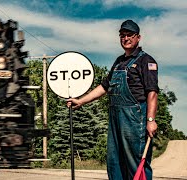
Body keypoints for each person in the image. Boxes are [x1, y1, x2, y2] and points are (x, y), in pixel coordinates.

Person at [67, 19, 158, 180]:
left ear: (138, 37)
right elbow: (104, 87)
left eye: (130, 35)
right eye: (122, 35)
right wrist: (80, 101)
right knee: (114, 162)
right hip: (116, 118)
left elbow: (152, 93)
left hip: (135, 119)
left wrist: (151, 120)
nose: (126, 38)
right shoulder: (119, 62)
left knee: (135, 162)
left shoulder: (146, 61)